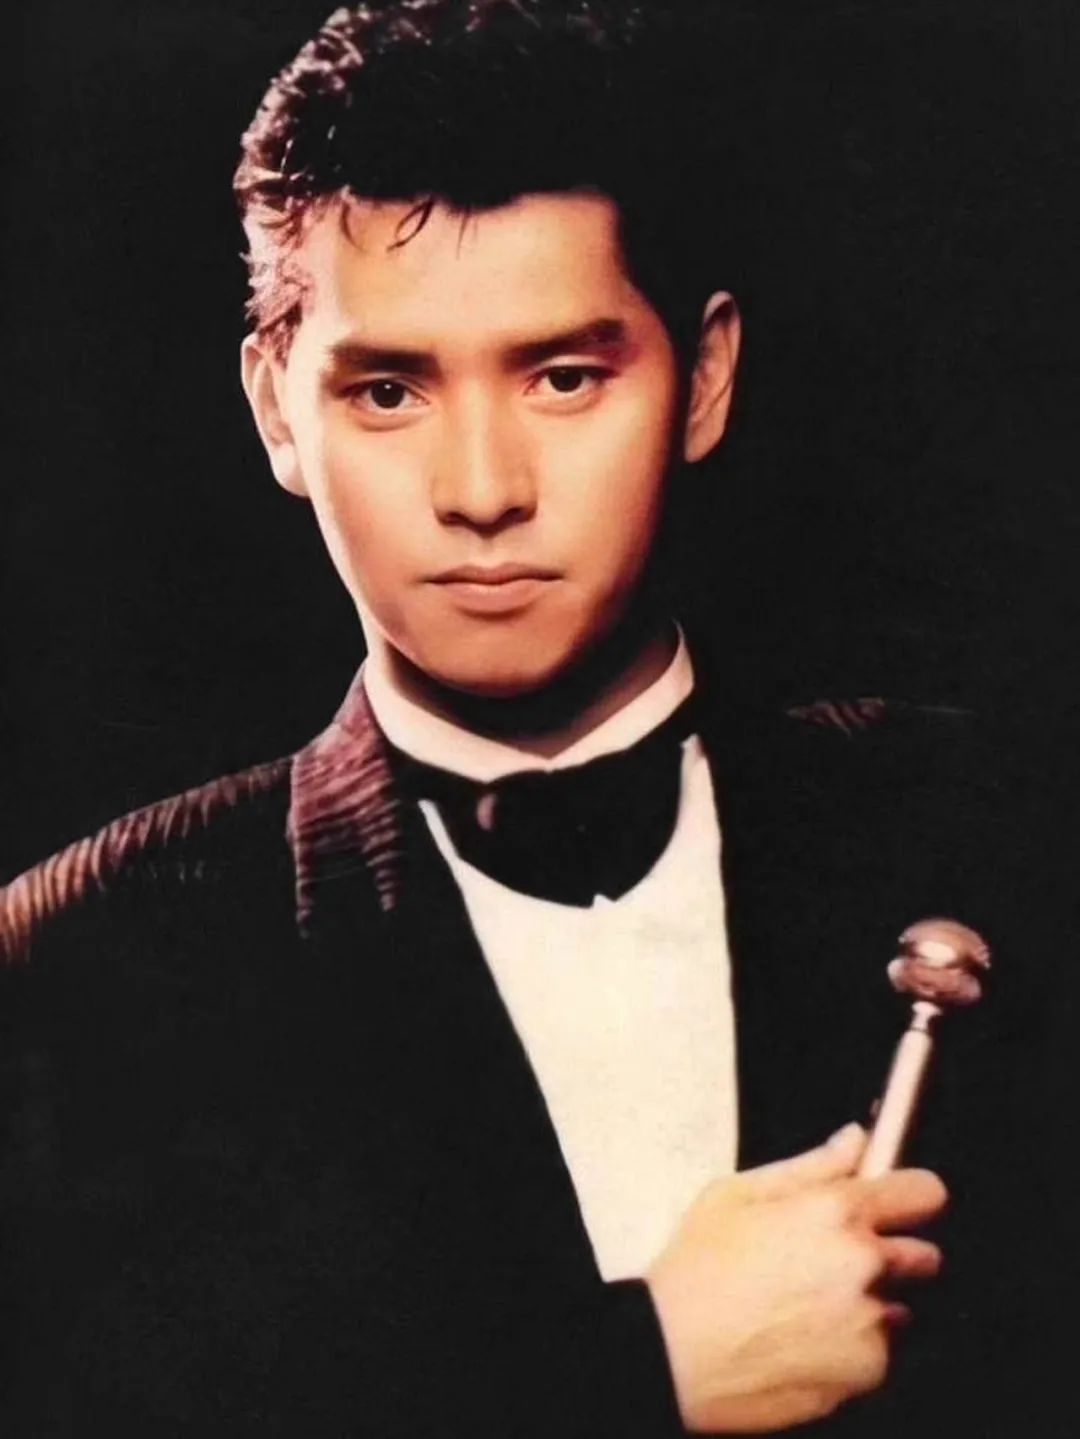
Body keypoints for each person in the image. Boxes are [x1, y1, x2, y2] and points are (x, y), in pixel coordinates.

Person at [0, 2, 1061, 1434]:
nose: (483, 490)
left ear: (707, 380)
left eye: (564, 377)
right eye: (389, 391)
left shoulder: (1013, 831)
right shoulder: (71, 975)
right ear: (276, 412)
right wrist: (640, 1376)